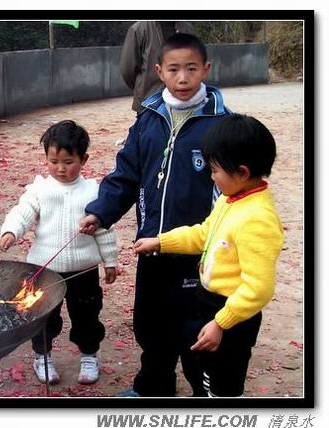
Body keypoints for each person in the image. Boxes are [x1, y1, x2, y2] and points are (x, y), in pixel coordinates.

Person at [80, 33, 230, 397]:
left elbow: (235, 191)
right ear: (159, 71)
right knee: (152, 325)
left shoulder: (222, 125)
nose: (183, 79)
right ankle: (153, 387)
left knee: (196, 328)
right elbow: (126, 175)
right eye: (174, 70)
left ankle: (204, 393)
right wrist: (100, 213)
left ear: (206, 70)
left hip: (199, 252)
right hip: (152, 246)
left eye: (191, 69)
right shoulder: (148, 119)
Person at [133, 114, 284, 397]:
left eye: (215, 171)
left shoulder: (257, 219)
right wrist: (160, 242)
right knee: (205, 373)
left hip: (233, 316)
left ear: (241, 171)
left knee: (223, 385)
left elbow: (258, 288)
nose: (211, 177)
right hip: (211, 303)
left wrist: (221, 323)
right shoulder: (232, 199)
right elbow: (204, 233)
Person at [0, 120, 118, 385]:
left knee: (87, 315)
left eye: (68, 161)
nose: (60, 169)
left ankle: (89, 355)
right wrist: (10, 231)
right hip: (44, 270)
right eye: (53, 161)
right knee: (43, 316)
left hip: (83, 271)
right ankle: (42, 356)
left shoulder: (94, 192)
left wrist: (110, 262)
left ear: (84, 159)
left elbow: (105, 229)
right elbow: (23, 212)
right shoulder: (40, 189)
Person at [120, 21, 193, 114]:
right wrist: (142, 88)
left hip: (181, 103)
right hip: (148, 103)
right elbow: (128, 69)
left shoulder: (187, 28)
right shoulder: (139, 29)